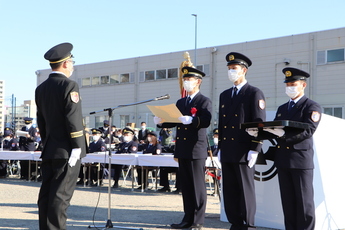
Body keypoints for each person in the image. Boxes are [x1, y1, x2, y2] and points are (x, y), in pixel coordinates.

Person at [253, 67, 321, 230]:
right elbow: (275, 129)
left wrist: (283, 136)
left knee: (304, 203)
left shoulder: (311, 106)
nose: (290, 86)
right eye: (288, 84)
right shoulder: (282, 108)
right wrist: (258, 133)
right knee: (288, 202)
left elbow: (308, 130)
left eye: (293, 83)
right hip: (283, 160)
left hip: (300, 160)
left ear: (303, 85)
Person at [35, 42, 88, 230]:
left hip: (50, 148)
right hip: (67, 151)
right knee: (61, 197)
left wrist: (47, 142)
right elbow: (72, 118)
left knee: (47, 195)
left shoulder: (41, 88)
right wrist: (77, 146)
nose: (72, 65)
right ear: (65, 63)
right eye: (71, 61)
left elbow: (41, 122)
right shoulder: (69, 85)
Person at [154, 66, 212, 230]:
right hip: (183, 148)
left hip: (196, 148)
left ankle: (198, 221)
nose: (186, 82)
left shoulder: (203, 101)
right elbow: (175, 119)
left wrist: (192, 120)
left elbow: (206, 120)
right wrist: (162, 122)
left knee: (197, 186)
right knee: (186, 186)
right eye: (184, 80)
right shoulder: (182, 102)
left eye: (189, 80)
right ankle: (187, 218)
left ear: (198, 82)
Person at [218, 52, 266, 230]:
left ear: (244, 70)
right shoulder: (224, 95)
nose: (231, 71)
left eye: (234, 68)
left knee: (245, 190)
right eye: (229, 68)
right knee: (230, 190)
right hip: (229, 149)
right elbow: (223, 123)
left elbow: (259, 124)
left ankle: (248, 224)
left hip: (245, 149)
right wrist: (220, 147)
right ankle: (235, 223)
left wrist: (256, 148)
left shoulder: (253, 93)